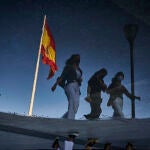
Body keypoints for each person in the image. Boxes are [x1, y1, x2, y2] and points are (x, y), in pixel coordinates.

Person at [51, 54, 82, 119]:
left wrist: (80, 80)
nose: (78, 59)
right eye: (77, 57)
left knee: (76, 106)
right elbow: (62, 76)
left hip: (77, 87)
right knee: (72, 101)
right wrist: (55, 85)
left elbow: (79, 80)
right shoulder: (68, 67)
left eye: (79, 58)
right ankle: (70, 121)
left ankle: (65, 118)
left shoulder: (80, 70)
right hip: (70, 85)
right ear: (73, 58)